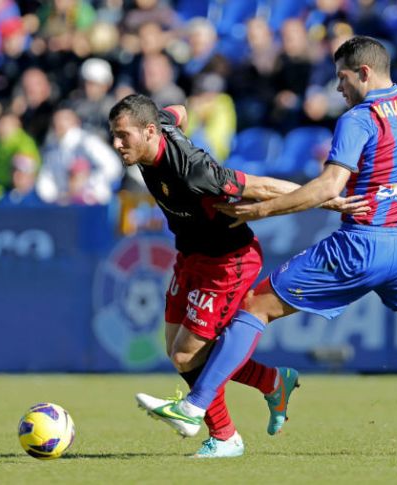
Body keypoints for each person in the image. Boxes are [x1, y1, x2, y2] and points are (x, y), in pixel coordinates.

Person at [136, 32, 397, 455]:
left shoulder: (359, 119)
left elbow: (329, 186)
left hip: (361, 246)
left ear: (364, 73)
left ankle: (194, 407)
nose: (338, 89)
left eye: (342, 79)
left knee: (254, 307)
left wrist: (264, 210)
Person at [108, 94, 367, 458]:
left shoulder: (193, 169)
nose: (117, 144)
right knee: (177, 350)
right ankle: (273, 382)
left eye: (123, 136)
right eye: (114, 136)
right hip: (191, 254)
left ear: (150, 131)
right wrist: (184, 112)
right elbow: (178, 111)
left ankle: (226, 437)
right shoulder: (157, 126)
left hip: (228, 261)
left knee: (186, 357)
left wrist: (324, 197)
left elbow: (260, 185)